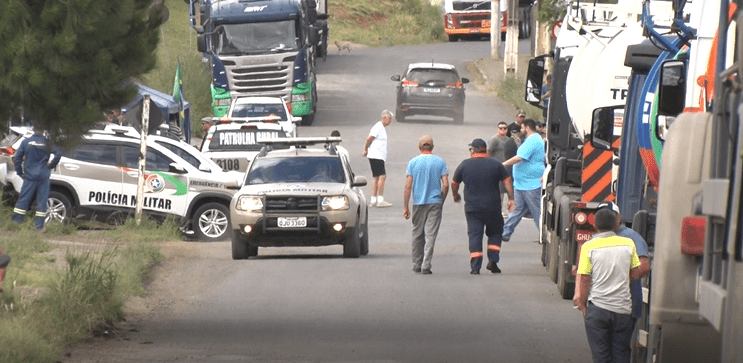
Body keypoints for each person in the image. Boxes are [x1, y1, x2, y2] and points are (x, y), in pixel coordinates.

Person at [573, 208, 643, 363]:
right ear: (615, 225)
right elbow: (636, 274)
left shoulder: (589, 247)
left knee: (601, 355)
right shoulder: (628, 244)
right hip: (623, 310)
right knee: (621, 353)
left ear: (595, 226)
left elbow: (584, 278)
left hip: (598, 309)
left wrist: (583, 304)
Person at [452, 138, 515, 274]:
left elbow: (454, 182)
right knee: (495, 233)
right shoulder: (496, 164)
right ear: (486, 150)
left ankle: (475, 267)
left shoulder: (465, 164)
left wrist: (455, 195)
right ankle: (493, 261)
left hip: (473, 209)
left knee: (475, 235)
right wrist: (511, 198)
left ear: (472, 150)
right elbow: (508, 181)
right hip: (493, 207)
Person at [597, 202, 651, 327]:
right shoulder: (595, 240)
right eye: (601, 216)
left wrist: (619, 279)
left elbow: (643, 266)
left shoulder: (631, 237)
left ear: (618, 218)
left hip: (625, 306)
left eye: (610, 216)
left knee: (619, 343)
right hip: (602, 304)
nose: (606, 219)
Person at [403, 135, 449, 275]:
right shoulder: (440, 162)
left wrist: (406, 206)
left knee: (417, 233)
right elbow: (445, 184)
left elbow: (408, 186)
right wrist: (441, 199)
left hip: (418, 203)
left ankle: (416, 263)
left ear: (419, 147)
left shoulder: (413, 162)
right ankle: (426, 265)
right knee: (430, 234)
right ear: (432, 147)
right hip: (435, 202)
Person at [501, 119, 545, 241]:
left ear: (527, 127)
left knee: (537, 212)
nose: (521, 130)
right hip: (522, 184)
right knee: (518, 210)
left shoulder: (533, 140)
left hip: (531, 184)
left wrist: (502, 165)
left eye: (522, 128)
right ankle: (505, 232)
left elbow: (519, 158)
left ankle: (544, 234)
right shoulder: (531, 140)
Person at [12, 124, 62, 230]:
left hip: (30, 175)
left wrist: (20, 172)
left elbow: (17, 158)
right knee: (42, 201)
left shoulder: (26, 142)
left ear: (33, 130)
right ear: (43, 130)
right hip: (43, 175)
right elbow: (58, 154)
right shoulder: (47, 143)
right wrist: (51, 165)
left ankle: (16, 223)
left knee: (23, 200)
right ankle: (39, 227)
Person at [362, 110, 393, 207]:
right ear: (384, 117)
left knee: (376, 177)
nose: (390, 121)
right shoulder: (378, 127)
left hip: (377, 155)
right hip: (377, 155)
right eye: (390, 119)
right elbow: (369, 138)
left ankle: (373, 200)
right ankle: (380, 200)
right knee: (382, 176)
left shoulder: (381, 128)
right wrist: (365, 149)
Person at [488, 121, 518, 217]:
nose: (503, 130)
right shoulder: (494, 139)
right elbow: (488, 152)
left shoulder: (509, 140)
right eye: (501, 128)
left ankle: (511, 210)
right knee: (500, 190)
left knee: (509, 189)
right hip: (497, 168)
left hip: (508, 168)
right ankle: (498, 211)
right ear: (498, 129)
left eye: (505, 128)